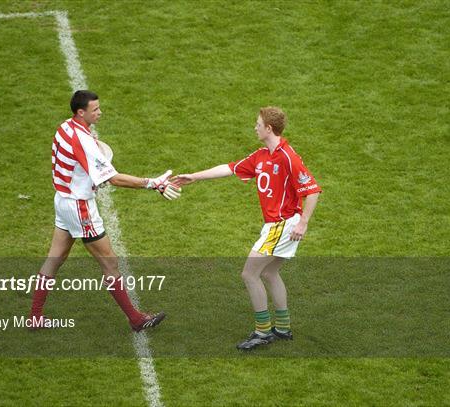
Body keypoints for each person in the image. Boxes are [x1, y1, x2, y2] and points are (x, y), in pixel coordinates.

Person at [29, 90, 181, 332]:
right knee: (110, 264)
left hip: (63, 200)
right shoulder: (84, 141)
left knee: (54, 259)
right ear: (81, 112)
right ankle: (136, 319)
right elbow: (114, 179)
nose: (100, 112)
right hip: (80, 207)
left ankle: (35, 316)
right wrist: (152, 183)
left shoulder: (64, 128)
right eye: (95, 110)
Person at [172, 107, 321, 350]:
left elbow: (312, 190)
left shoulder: (287, 156)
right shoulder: (262, 155)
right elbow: (230, 168)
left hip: (283, 225)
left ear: (268, 128)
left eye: (258, 124)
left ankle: (263, 332)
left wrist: (303, 223)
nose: (255, 127)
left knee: (249, 274)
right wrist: (195, 177)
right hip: (276, 226)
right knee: (270, 273)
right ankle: (282, 328)